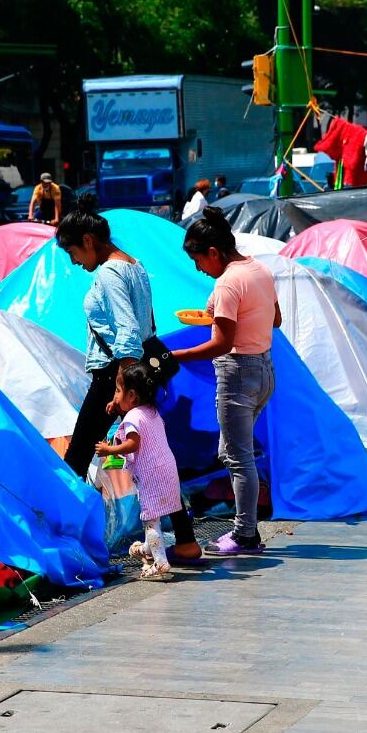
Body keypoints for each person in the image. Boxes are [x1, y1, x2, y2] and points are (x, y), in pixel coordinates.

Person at [171, 206, 281, 556]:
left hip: (238, 373)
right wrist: (220, 318)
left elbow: (221, 343)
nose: (198, 269)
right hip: (264, 370)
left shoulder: (229, 282)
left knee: (238, 458)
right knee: (234, 452)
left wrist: (175, 357)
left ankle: (245, 535)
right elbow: (274, 319)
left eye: (198, 261)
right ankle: (248, 515)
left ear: (214, 252)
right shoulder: (259, 269)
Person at [94, 363, 192, 582]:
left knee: (150, 520)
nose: (115, 397)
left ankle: (160, 562)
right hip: (167, 469)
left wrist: (109, 449)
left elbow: (132, 445)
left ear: (132, 395)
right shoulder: (152, 412)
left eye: (118, 391)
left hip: (151, 475)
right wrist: (116, 403)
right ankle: (146, 548)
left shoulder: (132, 419)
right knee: (155, 515)